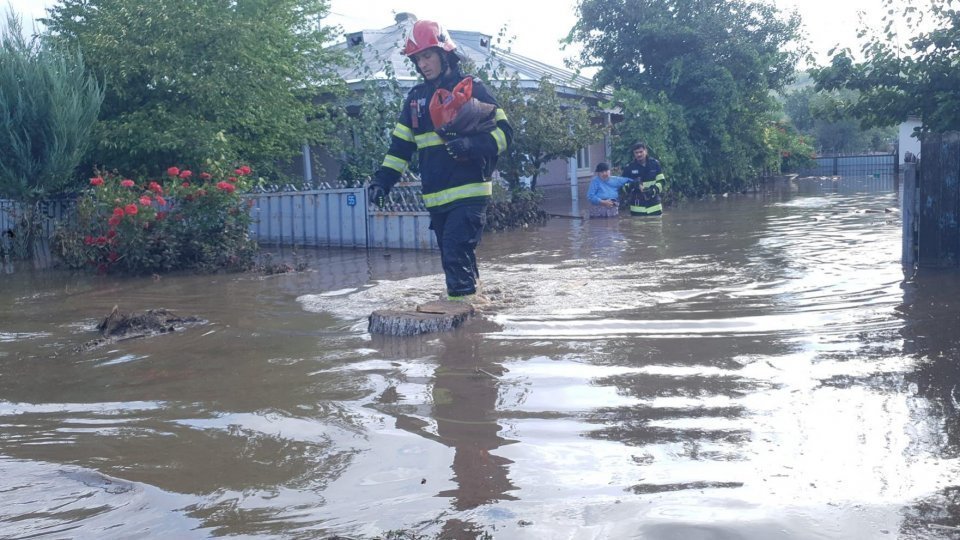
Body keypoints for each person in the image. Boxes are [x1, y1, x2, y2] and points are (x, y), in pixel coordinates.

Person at [367, 20, 512, 302]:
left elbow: (506, 134)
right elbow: (400, 148)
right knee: (456, 257)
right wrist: (381, 181)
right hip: (436, 200)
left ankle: (460, 333)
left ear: (444, 53)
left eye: (427, 55)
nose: (423, 64)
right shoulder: (415, 100)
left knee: (454, 255)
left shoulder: (471, 88)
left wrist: (471, 145)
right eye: (417, 58)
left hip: (469, 194)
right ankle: (478, 312)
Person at [622, 142, 666, 216]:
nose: (639, 154)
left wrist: (653, 190)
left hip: (655, 207)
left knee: (656, 227)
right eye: (636, 153)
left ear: (646, 151)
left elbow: (661, 181)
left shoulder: (655, 164)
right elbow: (623, 187)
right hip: (637, 208)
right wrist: (632, 185)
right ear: (634, 154)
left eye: (641, 152)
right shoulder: (629, 167)